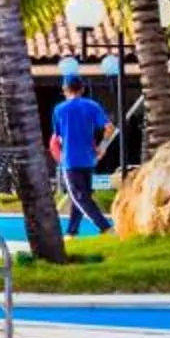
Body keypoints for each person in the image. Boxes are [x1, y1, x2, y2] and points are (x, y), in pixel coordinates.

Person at [49, 75, 113, 237]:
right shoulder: (93, 106)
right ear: (82, 89)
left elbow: (58, 137)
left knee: (79, 197)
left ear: (65, 90)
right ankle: (72, 231)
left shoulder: (59, 109)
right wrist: (102, 147)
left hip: (70, 160)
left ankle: (106, 228)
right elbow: (109, 127)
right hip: (88, 159)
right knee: (80, 195)